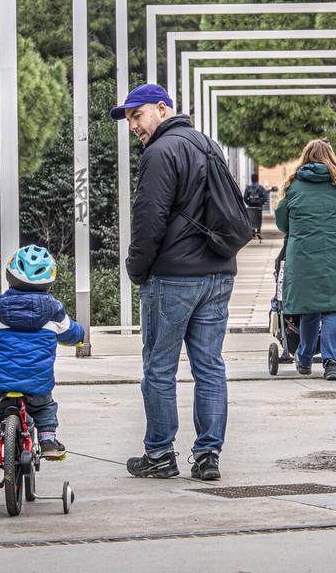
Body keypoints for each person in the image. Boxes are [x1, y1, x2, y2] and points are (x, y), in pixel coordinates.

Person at [114, 83, 235, 481]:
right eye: (129, 119)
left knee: (160, 368)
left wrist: (136, 268)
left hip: (173, 278)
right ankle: (208, 456)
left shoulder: (160, 152)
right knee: (210, 366)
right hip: (218, 273)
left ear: (162, 109)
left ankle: (160, 454)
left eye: (137, 115)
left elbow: (149, 220)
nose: (133, 125)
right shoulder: (208, 145)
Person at [0, 245, 84, 474]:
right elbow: (71, 333)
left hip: (1, 382)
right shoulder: (54, 311)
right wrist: (80, 338)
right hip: (36, 382)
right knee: (44, 407)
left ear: (9, 277)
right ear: (49, 281)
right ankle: (48, 440)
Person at [274, 139, 336, 381]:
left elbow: (282, 222)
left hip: (304, 257)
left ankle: (304, 359)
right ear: (332, 156)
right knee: (332, 310)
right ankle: (331, 363)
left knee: (309, 310)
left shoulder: (293, 184)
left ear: (305, 157)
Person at [243, 172, 269, 241]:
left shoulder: (248, 188)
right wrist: (261, 202)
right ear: (257, 179)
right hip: (259, 206)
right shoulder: (260, 188)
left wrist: (248, 203)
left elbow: (245, 197)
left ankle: (253, 233)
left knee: (251, 218)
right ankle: (259, 231)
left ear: (251, 179)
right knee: (259, 218)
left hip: (250, 206)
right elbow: (265, 197)